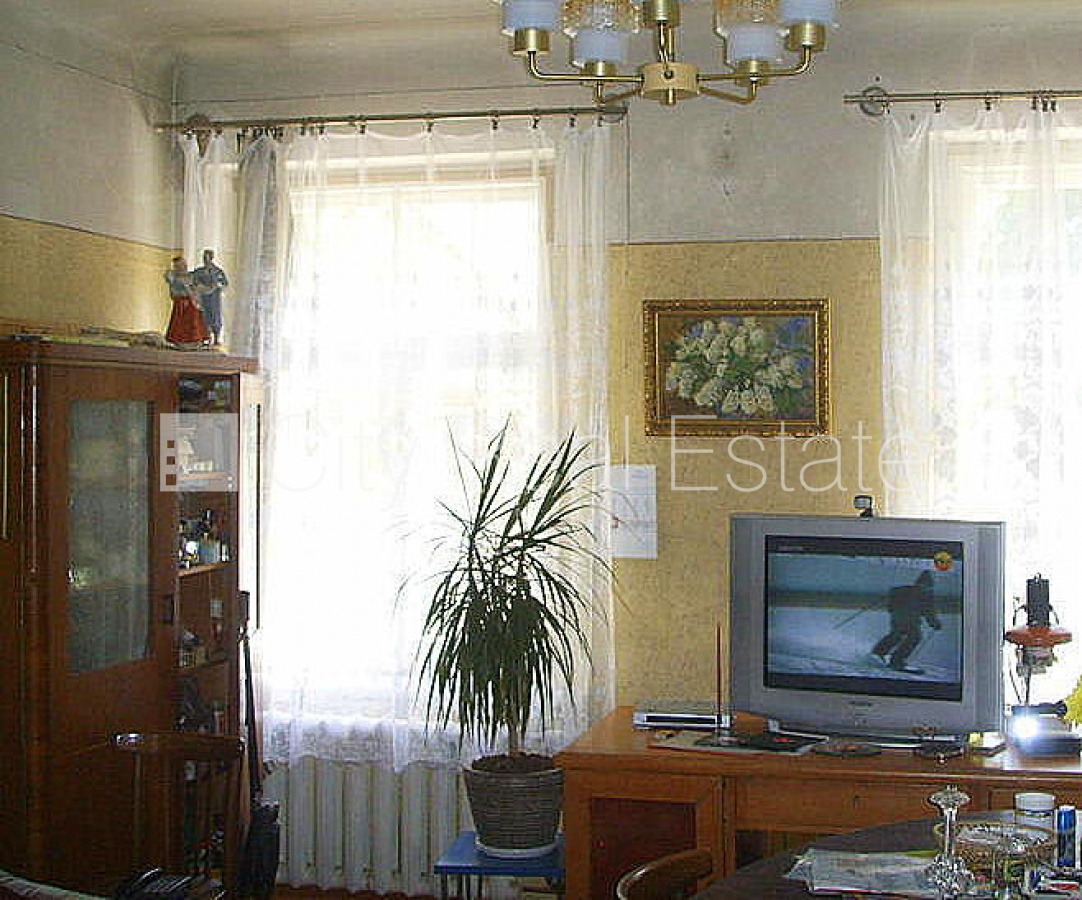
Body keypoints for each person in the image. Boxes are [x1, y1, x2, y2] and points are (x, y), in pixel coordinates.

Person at [871, 570, 941, 672]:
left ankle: (880, 653)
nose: (923, 587)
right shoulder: (913, 592)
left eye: (926, 585)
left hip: (905, 618)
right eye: (922, 584)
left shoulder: (921, 594)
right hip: (903, 617)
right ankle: (894, 660)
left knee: (900, 635)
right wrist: (934, 623)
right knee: (911, 636)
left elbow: (929, 612)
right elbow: (893, 594)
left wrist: (934, 623)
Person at [164, 256, 210, 347]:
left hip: (192, 302)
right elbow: (173, 292)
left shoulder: (191, 276)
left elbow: (196, 287)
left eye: (184, 264)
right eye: (180, 265)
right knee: (181, 322)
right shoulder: (174, 278)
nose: (183, 267)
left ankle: (195, 339)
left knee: (194, 320)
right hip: (181, 303)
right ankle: (181, 340)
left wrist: (198, 293)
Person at [190, 248, 229, 345]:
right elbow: (192, 281)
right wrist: (198, 288)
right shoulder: (199, 271)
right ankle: (205, 337)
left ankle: (216, 337)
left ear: (211, 258)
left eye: (207, 257)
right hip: (202, 297)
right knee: (203, 316)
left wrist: (216, 286)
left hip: (214, 298)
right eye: (204, 257)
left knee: (215, 316)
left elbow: (224, 283)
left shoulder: (218, 271)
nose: (205, 260)